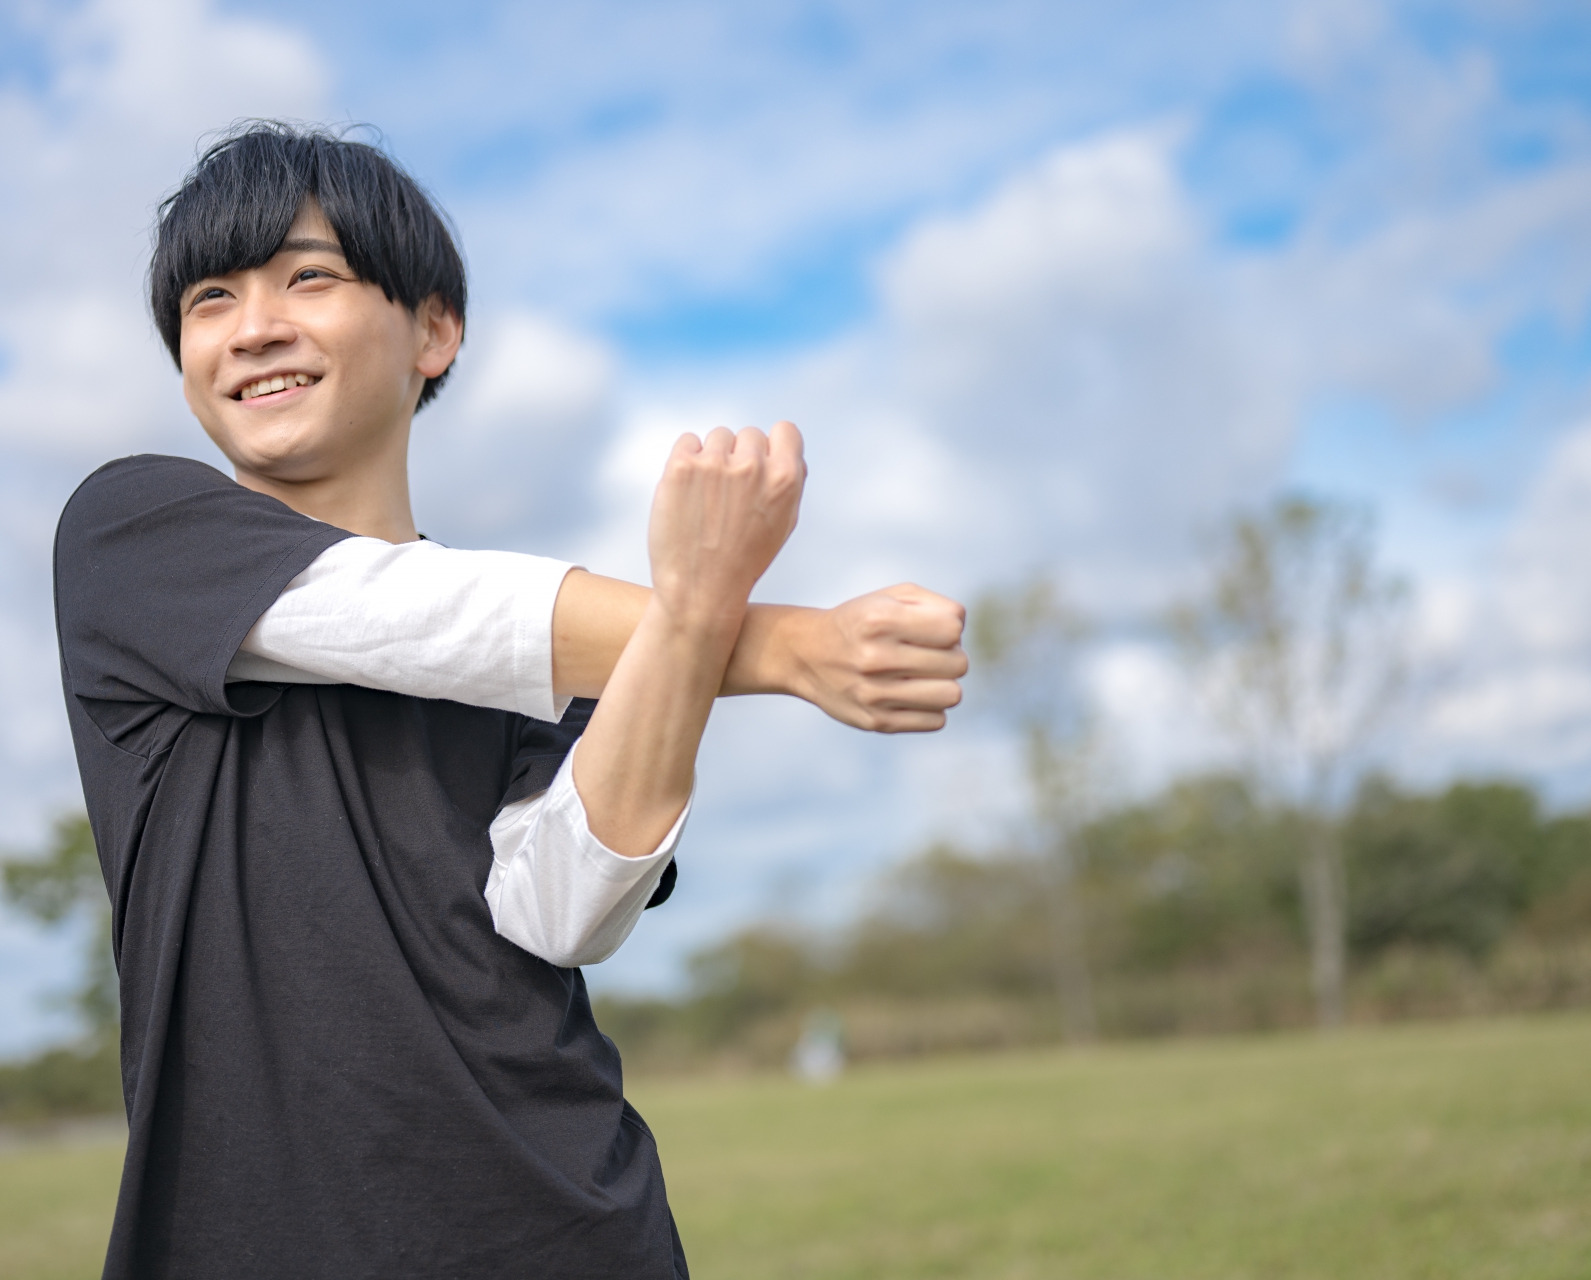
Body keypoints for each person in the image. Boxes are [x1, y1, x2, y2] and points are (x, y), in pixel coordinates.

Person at [54, 121, 966, 1279]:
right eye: (209, 300)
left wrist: (690, 628)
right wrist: (775, 639)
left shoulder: (560, 647)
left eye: (309, 277)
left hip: (564, 1231)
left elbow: (564, 912)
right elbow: (398, 614)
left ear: (434, 329)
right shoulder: (132, 535)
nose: (254, 328)